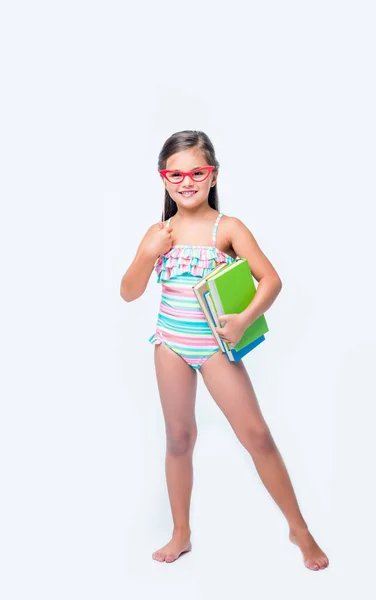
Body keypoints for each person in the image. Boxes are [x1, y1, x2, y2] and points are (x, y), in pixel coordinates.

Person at [120, 130, 329, 570]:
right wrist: (146, 254)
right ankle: (181, 532)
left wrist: (243, 319)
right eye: (175, 174)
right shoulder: (160, 232)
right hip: (170, 345)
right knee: (179, 439)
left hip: (215, 347)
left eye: (197, 172)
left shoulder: (227, 229)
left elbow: (270, 280)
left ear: (212, 175)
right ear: (163, 179)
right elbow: (128, 292)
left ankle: (299, 529)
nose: (186, 181)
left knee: (256, 435)